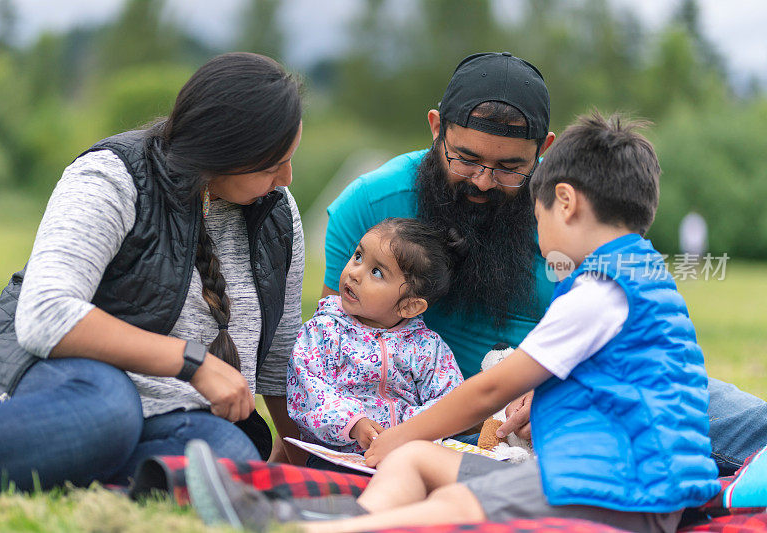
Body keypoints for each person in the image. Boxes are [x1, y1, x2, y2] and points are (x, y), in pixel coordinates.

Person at [185, 112, 722, 533]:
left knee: (456, 499)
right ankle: (351, 515)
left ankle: (296, 526)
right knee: (418, 462)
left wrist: (401, 434)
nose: (540, 237)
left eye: (538, 218)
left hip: (616, 493)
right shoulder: (640, 276)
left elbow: (489, 389)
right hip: (609, 481)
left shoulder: (599, 290)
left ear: (565, 201)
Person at [321, 51, 767, 474]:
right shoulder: (369, 204)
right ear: (436, 128)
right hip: (420, 420)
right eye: (466, 158)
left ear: (544, 150)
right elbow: (324, 343)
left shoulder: (568, 218)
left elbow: (617, 339)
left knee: (721, 415)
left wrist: (556, 388)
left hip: (567, 396)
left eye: (510, 167)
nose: (483, 181)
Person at [0, 52, 306, 490]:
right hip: (60, 387)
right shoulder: (112, 175)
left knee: (227, 456)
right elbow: (45, 315)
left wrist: (295, 451)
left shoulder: (278, 213)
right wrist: (192, 362)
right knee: (108, 412)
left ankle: (66, 463)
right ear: (220, 152)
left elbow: (279, 352)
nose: (288, 177)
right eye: (270, 164)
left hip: (167, 419)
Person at [287, 218, 464, 466]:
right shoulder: (323, 331)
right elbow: (308, 388)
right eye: (358, 256)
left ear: (409, 305)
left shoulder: (427, 347)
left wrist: (406, 431)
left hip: (406, 456)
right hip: (338, 456)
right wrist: (354, 423)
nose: (355, 273)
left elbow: (449, 401)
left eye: (376, 272)